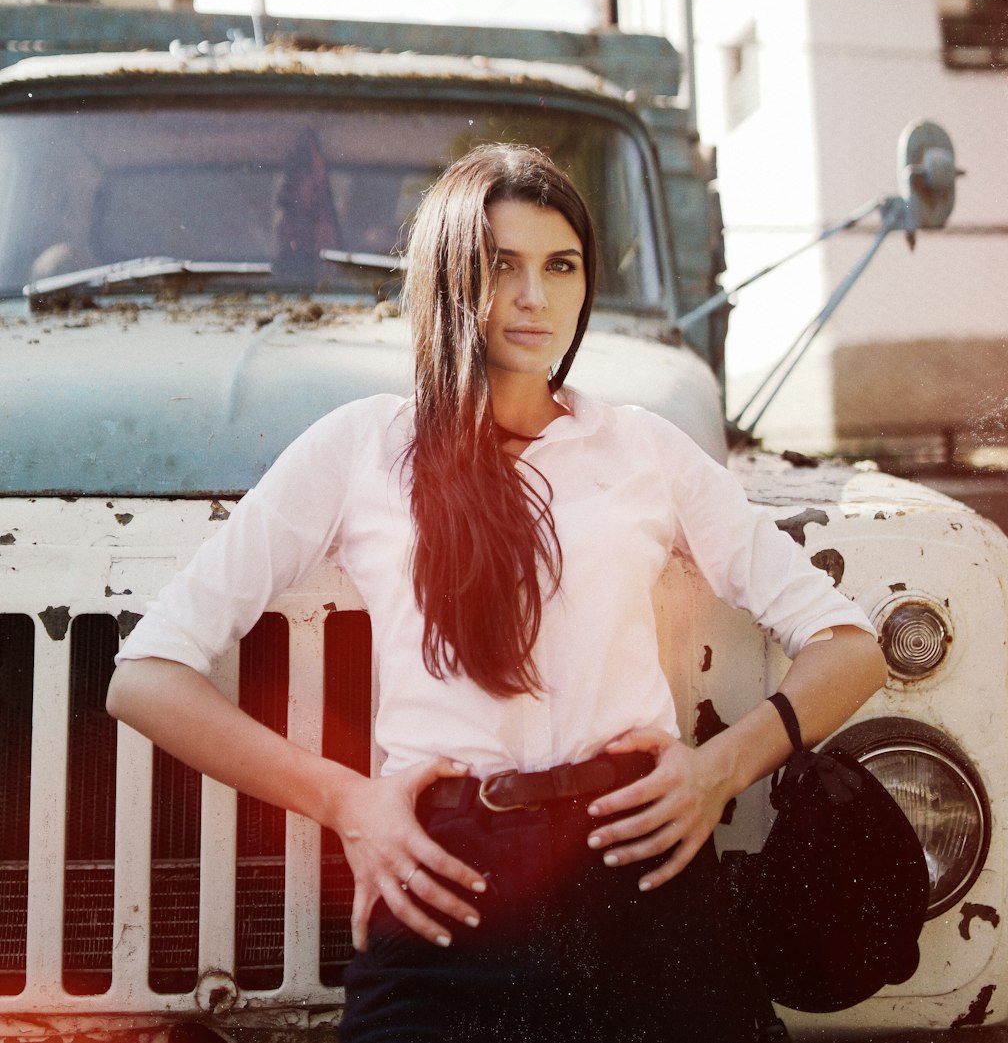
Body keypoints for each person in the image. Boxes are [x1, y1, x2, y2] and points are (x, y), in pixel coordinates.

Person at [107, 143, 887, 1043]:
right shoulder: (363, 447)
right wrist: (348, 802)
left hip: (637, 854)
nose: (535, 296)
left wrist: (720, 768)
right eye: (502, 265)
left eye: (562, 266)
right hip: (445, 877)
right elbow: (145, 676)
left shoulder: (643, 449)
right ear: (450, 277)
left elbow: (849, 645)